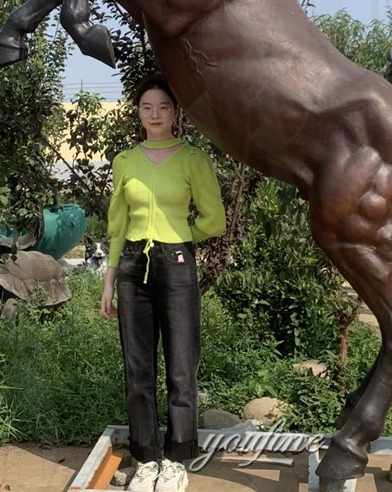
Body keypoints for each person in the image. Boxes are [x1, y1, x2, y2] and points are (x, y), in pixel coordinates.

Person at [101, 74, 226, 492]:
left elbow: (214, 219)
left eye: (163, 107)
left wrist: (182, 240)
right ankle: (146, 457)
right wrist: (109, 278)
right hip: (133, 266)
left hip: (175, 263)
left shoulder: (193, 159)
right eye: (146, 107)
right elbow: (117, 224)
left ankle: (176, 458)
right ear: (138, 113)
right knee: (137, 369)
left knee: (180, 366)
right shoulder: (125, 161)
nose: (155, 115)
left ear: (176, 113)